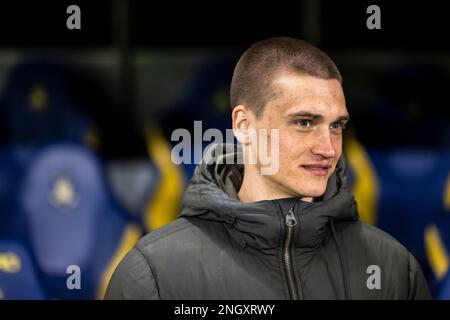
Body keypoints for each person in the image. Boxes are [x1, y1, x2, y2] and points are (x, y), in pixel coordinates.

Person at [105, 37, 431, 299]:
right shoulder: (154, 274)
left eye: (336, 126)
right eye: (304, 122)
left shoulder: (393, 268)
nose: (328, 148)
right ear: (244, 125)